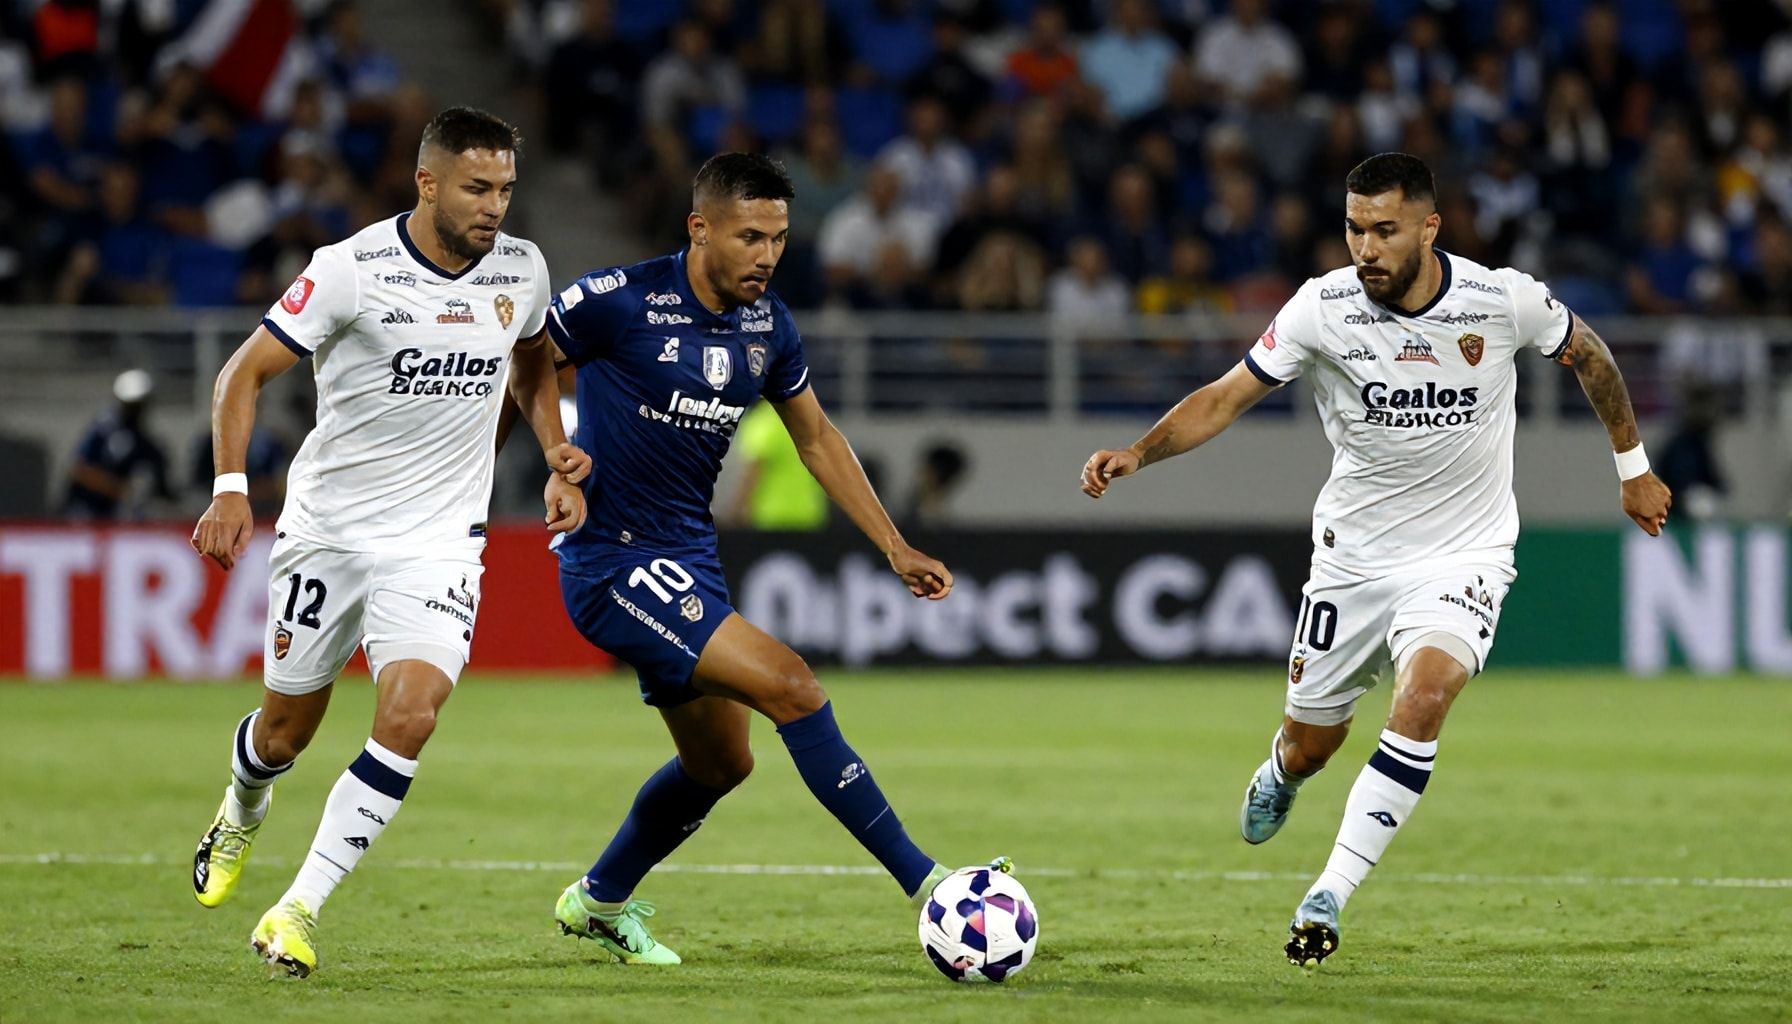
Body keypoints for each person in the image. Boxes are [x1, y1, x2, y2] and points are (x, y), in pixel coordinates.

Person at [1080, 153, 1672, 966]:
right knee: (1311, 744)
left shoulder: (1502, 300)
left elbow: (1592, 355)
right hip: (1353, 563)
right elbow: (1224, 396)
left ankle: (1329, 893)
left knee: (1423, 697)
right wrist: (1139, 453)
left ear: (1429, 228)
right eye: (1355, 229)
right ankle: (1283, 772)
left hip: (1463, 555)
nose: (1366, 248)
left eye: (1385, 230)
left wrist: (1633, 470)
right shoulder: (1321, 308)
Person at [539, 152, 1007, 966]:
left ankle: (598, 901)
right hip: (611, 560)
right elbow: (525, 359)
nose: (767, 255)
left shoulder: (768, 326)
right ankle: (933, 886)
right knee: (793, 686)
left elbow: (816, 438)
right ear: (700, 228)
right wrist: (554, 456)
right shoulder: (620, 300)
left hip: (688, 556)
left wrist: (894, 544)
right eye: (749, 236)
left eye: (779, 238)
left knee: (721, 762)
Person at [186, 107, 590, 978]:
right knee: (284, 734)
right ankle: (242, 805)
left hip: (440, 542)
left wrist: (555, 451)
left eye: (506, 189)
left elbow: (532, 360)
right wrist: (229, 489)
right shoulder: (351, 269)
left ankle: (297, 909)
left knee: (411, 716)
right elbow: (242, 374)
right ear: (427, 182)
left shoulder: (521, 269)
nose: (495, 207)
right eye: (477, 188)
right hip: (329, 535)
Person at [62, 369, 173, 520]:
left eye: (139, 405)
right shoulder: (102, 430)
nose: (136, 411)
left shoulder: (143, 441)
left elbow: (159, 476)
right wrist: (119, 489)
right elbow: (79, 469)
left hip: (114, 516)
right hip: (85, 511)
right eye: (132, 405)